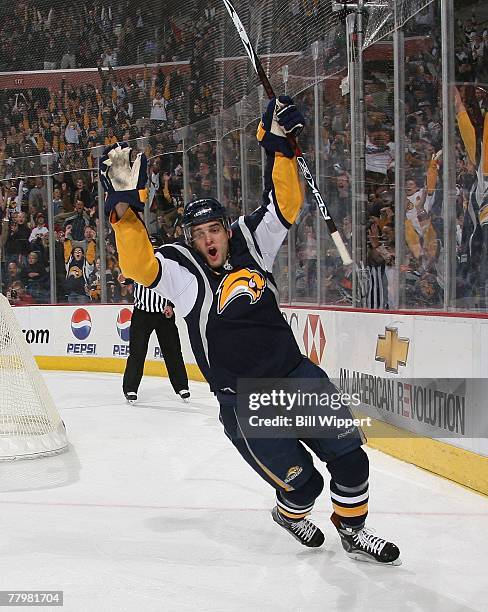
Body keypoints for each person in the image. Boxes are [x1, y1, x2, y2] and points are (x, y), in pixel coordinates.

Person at [101, 96, 400, 565]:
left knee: (351, 459)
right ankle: (289, 513)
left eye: (214, 230)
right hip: (245, 401)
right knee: (305, 485)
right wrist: (125, 212)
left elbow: (285, 202)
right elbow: (139, 266)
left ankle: (352, 529)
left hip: (295, 375)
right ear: (189, 239)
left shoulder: (249, 242)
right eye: (199, 234)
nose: (209, 240)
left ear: (225, 229)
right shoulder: (181, 269)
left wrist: (279, 146)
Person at [121, 276, 190, 404]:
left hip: (164, 313)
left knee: (173, 351)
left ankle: (181, 386)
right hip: (142, 313)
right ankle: (130, 389)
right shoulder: (138, 262)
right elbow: (126, 279)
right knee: (137, 352)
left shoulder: (165, 262)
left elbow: (173, 285)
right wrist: (124, 280)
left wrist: (170, 305)